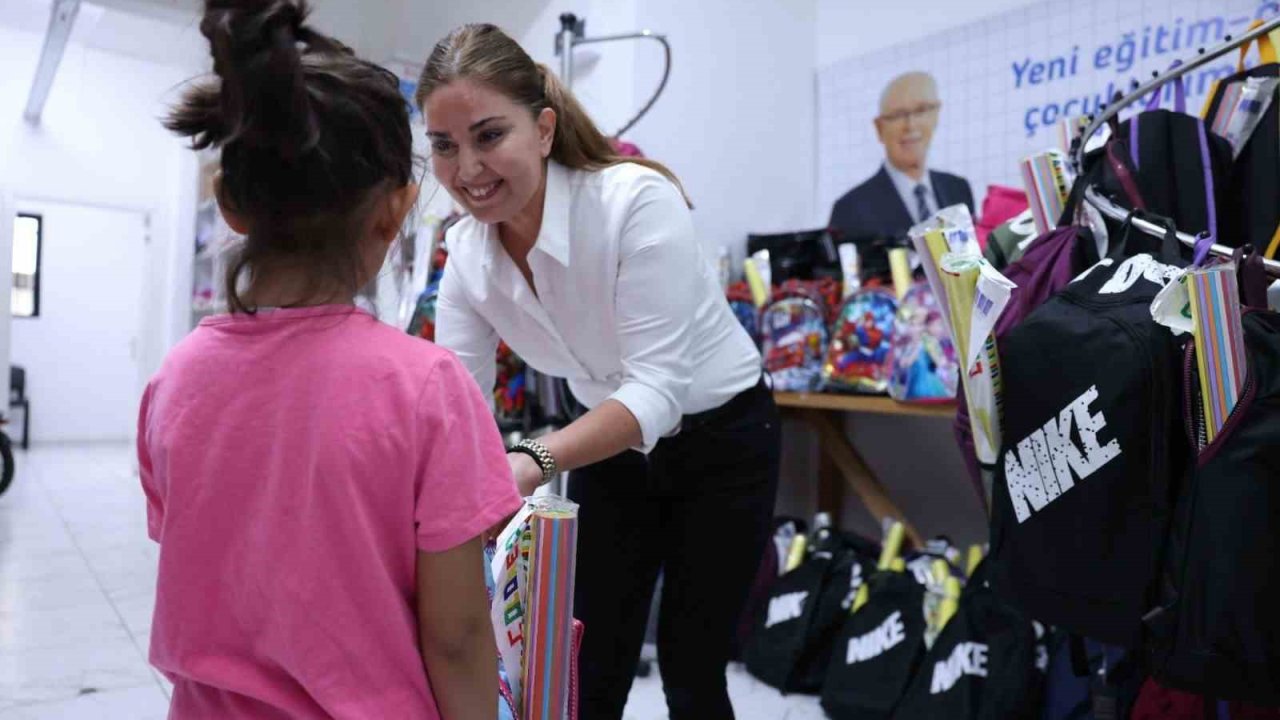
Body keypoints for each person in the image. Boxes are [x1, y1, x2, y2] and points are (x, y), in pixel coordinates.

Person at [138, 2, 521, 718]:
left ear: (229, 204)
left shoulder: (175, 378)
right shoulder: (428, 387)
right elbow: (459, 635)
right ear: (395, 209)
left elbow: (210, 552)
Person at [417, 24, 781, 720]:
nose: (467, 169)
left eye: (489, 136)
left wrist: (526, 459)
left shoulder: (634, 202)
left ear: (545, 129)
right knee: (584, 663)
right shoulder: (465, 254)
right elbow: (459, 402)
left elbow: (656, 394)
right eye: (443, 145)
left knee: (691, 664)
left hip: (725, 438)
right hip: (610, 453)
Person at [829, 71, 974, 242]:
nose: (910, 125)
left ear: (936, 115)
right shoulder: (850, 209)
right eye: (897, 115)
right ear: (879, 128)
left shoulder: (958, 189)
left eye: (921, 110)